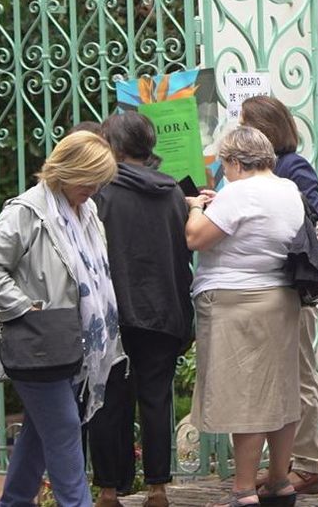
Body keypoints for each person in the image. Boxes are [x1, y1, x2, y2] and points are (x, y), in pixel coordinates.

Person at [0, 131, 123, 507]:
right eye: (89, 177)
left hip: (74, 344)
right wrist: (25, 307)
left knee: (41, 434)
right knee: (64, 429)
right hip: (38, 342)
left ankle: (13, 502)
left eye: (99, 180)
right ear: (67, 169)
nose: (94, 187)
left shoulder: (84, 212)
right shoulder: (28, 211)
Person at [184, 126, 306, 507]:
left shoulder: (239, 192)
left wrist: (196, 207)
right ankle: (280, 483)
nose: (225, 173)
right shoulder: (289, 190)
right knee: (281, 393)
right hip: (280, 297)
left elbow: (196, 238)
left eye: (225, 165)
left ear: (235, 161)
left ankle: (242, 490)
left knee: (246, 398)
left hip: (237, 301)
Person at [87, 114, 193, 507]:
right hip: (164, 309)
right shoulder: (173, 194)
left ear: (113, 147)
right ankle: (158, 489)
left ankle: (109, 490)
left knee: (108, 403)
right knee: (156, 399)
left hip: (113, 312)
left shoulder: (102, 194)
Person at [239, 96, 318, 495]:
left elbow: (311, 216)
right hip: (270, 288)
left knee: (301, 375)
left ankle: (307, 464)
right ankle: (284, 464)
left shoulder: (293, 168)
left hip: (294, 287)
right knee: (278, 378)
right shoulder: (261, 172)